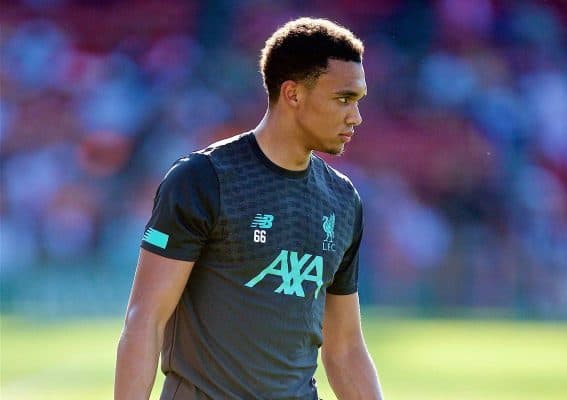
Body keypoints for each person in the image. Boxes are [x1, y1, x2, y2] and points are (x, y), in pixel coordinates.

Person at [115, 17, 383, 400]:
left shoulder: (343, 200)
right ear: (292, 94)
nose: (355, 117)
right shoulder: (204, 179)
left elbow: (345, 349)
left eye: (358, 102)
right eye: (343, 99)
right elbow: (145, 322)